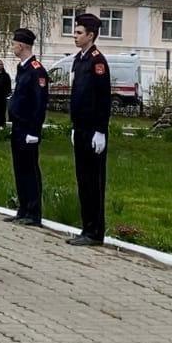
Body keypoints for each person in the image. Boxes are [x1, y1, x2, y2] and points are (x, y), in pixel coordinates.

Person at [67, 13, 111, 246]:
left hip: (94, 130)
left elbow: (103, 99)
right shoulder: (79, 60)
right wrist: (75, 126)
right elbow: (77, 96)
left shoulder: (97, 61)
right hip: (81, 127)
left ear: (91, 35)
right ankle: (86, 227)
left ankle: (95, 232)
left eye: (79, 32)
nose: (75, 36)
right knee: (83, 179)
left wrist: (100, 130)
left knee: (94, 181)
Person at [5, 29, 49, 226]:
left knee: (30, 170)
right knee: (20, 169)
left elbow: (39, 104)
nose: (13, 46)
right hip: (18, 127)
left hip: (28, 129)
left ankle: (33, 212)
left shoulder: (36, 70)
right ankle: (23, 209)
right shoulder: (23, 68)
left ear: (21, 45)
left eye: (14, 43)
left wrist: (34, 131)